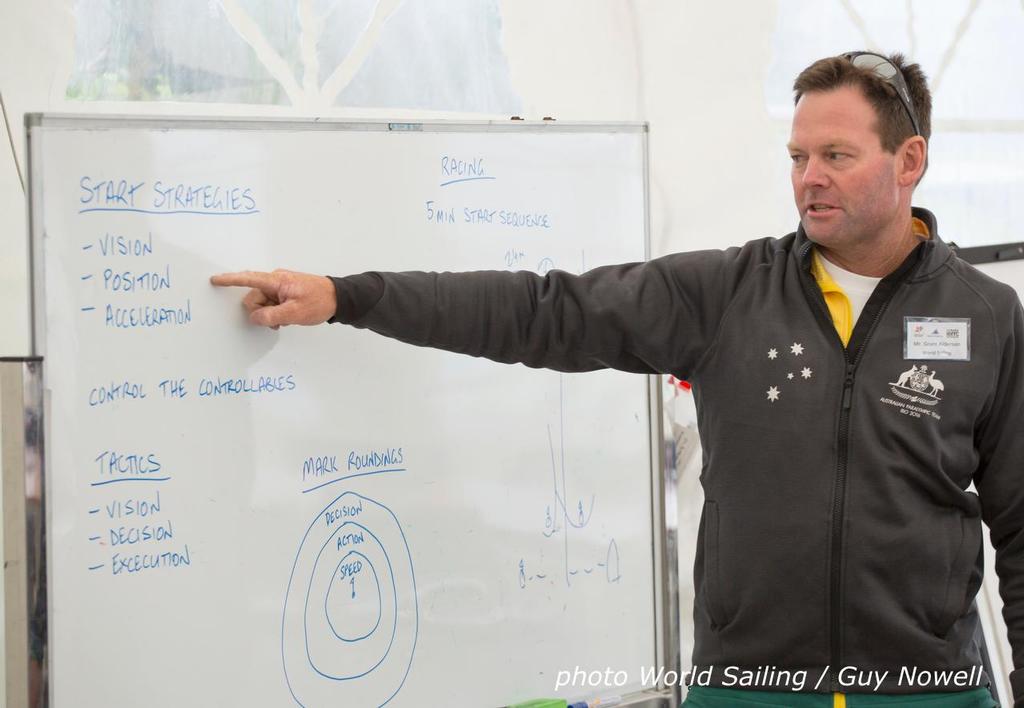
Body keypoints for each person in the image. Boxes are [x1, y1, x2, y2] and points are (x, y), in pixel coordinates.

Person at [211, 52, 1022, 708]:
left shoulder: (988, 317)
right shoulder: (726, 294)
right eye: (798, 156)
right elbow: (541, 310)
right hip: (748, 689)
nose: (809, 176)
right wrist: (350, 297)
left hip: (930, 691)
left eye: (836, 156)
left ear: (909, 160)